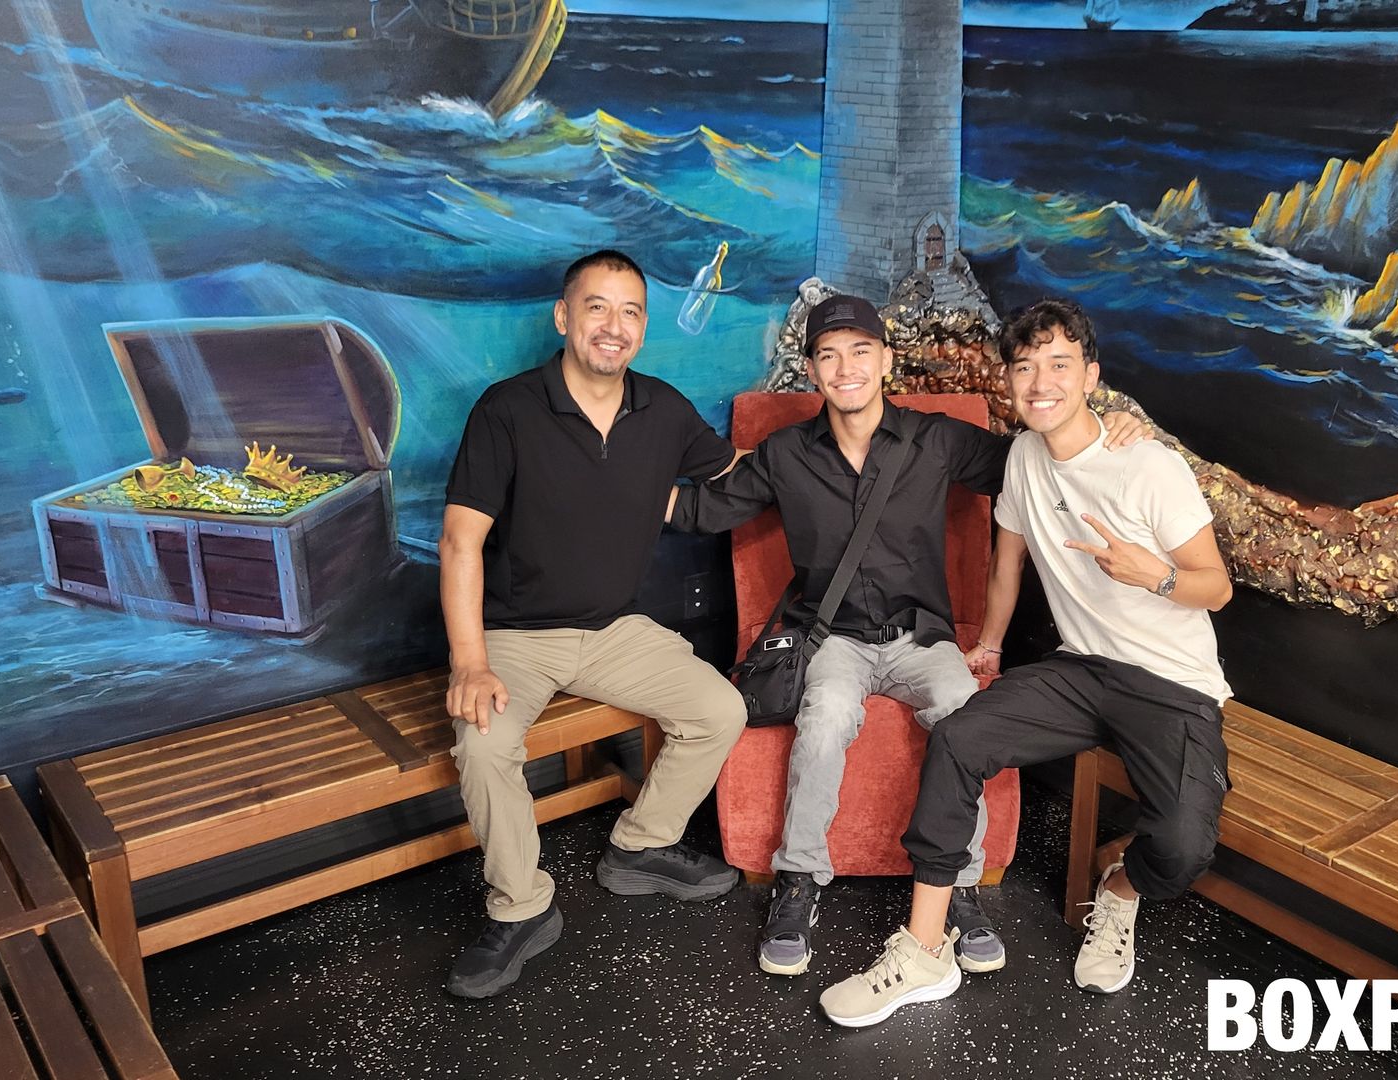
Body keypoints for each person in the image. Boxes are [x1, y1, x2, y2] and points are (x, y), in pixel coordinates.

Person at [668, 294, 1147, 978]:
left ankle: (957, 885)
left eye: (861, 351)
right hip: (832, 637)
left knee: (964, 714)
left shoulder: (936, 440)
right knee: (826, 716)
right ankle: (797, 880)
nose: (846, 367)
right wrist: (615, 486)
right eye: (829, 355)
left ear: (886, 360)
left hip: (923, 638)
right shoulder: (785, 453)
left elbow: (1038, 460)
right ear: (812, 369)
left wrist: (1108, 426)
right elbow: (704, 508)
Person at [819, 297, 1234, 1027]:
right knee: (958, 737)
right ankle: (924, 950)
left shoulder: (1148, 466)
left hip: (1170, 683)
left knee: (1181, 847)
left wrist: (1156, 575)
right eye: (1024, 367)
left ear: (1091, 376)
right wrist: (989, 645)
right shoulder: (1023, 460)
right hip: (1080, 671)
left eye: (1059, 365)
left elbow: (1218, 588)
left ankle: (1120, 891)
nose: (1041, 382)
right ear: (1009, 381)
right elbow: (1005, 563)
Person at [438, 249, 748, 999]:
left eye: (630, 311)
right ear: (563, 317)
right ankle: (521, 908)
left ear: (643, 327)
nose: (614, 326)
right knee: (484, 746)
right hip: (516, 637)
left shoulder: (664, 410)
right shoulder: (507, 410)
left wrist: (835, 451)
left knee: (720, 709)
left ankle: (640, 847)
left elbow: (736, 472)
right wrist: (471, 662)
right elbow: (459, 542)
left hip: (615, 629)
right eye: (597, 307)